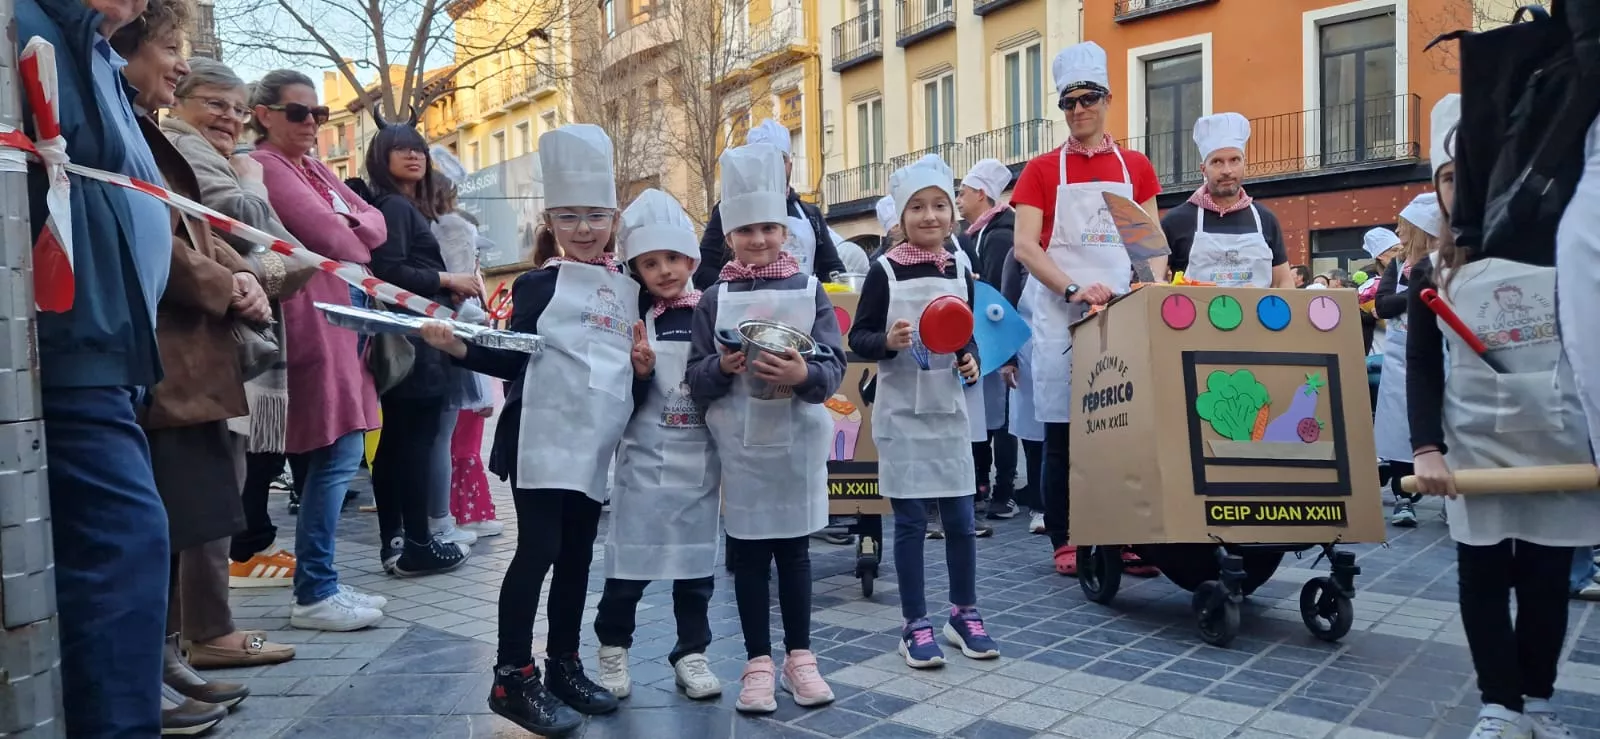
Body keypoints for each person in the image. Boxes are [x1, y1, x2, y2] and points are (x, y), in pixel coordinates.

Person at [421, 124, 631, 736]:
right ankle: (511, 675)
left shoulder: (627, 287)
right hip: (540, 439)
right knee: (538, 551)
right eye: (569, 217)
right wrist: (458, 348)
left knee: (577, 556)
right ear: (551, 220)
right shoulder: (536, 285)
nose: (584, 229)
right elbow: (514, 358)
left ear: (613, 219)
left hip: (594, 444)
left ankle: (564, 664)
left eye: (595, 216)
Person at [1408, 93, 1600, 739]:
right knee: (1483, 577)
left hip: (1560, 441)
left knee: (1547, 579)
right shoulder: (1431, 269)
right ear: (1437, 189)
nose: (1463, 187)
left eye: (1475, 172)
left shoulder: (1563, 247)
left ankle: (1537, 701)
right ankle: (1499, 704)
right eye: (1449, 177)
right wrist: (1426, 448)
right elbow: (1423, 366)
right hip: (1475, 448)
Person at [16, 0, 185, 730]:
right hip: (66, 345)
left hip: (108, 345)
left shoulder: (92, 51)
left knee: (115, 549)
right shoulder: (26, 26)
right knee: (124, 543)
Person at [685, 142, 845, 713]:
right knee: (750, 558)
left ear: (785, 232)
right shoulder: (714, 297)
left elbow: (834, 365)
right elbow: (694, 375)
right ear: (729, 236)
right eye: (746, 230)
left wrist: (805, 374)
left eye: (769, 229)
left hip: (796, 441)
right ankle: (758, 662)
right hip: (742, 446)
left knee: (795, 555)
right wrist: (721, 367)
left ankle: (801, 658)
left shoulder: (809, 289)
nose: (758, 240)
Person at [1008, 41, 1164, 576]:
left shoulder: (1136, 167)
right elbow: (1026, 247)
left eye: (1088, 98)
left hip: (1121, 313)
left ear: (1107, 99)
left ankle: (1126, 535)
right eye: (1069, 102)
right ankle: (1066, 536)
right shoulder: (1041, 170)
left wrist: (1147, 289)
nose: (1078, 109)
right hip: (1060, 317)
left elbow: (1150, 244)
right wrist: (1073, 288)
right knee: (1063, 435)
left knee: (1124, 431)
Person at [162, 58, 315, 592]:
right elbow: (255, 227)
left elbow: (301, 256)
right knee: (212, 494)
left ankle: (209, 621)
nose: (229, 117)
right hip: (206, 346)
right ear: (177, 102)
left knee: (227, 486)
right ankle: (206, 623)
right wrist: (256, 187)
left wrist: (267, 266)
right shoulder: (183, 147)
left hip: (225, 345)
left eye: (236, 108)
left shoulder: (215, 155)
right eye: (214, 103)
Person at [849, 156, 1000, 670]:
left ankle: (964, 613)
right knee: (912, 522)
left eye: (938, 205)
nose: (929, 216)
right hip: (901, 414)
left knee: (960, 519)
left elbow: (967, 334)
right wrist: (887, 342)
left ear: (952, 214)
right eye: (917, 207)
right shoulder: (884, 271)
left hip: (949, 410)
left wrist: (971, 359)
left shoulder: (960, 268)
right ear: (901, 216)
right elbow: (859, 336)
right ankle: (914, 623)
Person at [251, 69, 388, 631]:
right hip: (311, 320)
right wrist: (348, 226)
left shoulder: (313, 169)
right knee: (335, 450)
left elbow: (374, 227)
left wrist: (348, 223)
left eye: (319, 114)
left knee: (335, 452)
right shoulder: (266, 165)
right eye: (298, 112)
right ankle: (315, 590)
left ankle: (320, 580)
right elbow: (339, 240)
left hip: (340, 316)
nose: (311, 123)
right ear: (264, 115)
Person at [592, 189, 724, 702]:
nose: (664, 270)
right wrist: (641, 374)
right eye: (650, 263)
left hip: (699, 462)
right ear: (636, 270)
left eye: (673, 258)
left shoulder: (711, 312)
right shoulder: (631, 317)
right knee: (628, 568)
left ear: (691, 259)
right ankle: (613, 648)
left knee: (695, 571)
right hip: (643, 462)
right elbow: (616, 398)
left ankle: (692, 653)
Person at [362, 125, 480, 576]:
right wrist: (448, 280)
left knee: (398, 442)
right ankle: (416, 543)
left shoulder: (400, 206)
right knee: (413, 442)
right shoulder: (394, 206)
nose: (413, 156)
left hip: (412, 337)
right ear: (381, 156)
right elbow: (389, 271)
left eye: (419, 149)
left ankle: (398, 542)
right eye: (401, 149)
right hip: (417, 340)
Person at [431, 175, 503, 538]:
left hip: (449, 344)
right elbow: (469, 314)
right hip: (459, 348)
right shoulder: (452, 230)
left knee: (450, 441)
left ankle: (456, 512)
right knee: (459, 441)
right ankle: (462, 513)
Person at [693, 119, 846, 287]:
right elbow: (703, 271)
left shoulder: (811, 215)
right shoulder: (730, 209)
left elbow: (832, 269)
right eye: (765, 159)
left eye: (780, 159)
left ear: (790, 164)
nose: (773, 166)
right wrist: (740, 291)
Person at [1160, 112, 1293, 288]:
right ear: (1203, 169)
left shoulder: (1265, 219)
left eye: (1234, 160)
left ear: (1244, 164)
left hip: (1255, 307)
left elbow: (1283, 282)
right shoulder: (1175, 221)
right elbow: (1155, 281)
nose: (1227, 170)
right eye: (1217, 162)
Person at [956, 158, 1020, 520]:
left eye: (963, 193)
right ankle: (983, 485)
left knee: (1001, 417)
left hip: (996, 336)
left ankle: (1003, 491)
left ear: (981, 194)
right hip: (980, 335)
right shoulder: (974, 233)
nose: (958, 200)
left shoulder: (998, 236)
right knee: (984, 415)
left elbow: (994, 290)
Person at [1373, 194, 1439, 527]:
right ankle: (1404, 497)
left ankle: (1451, 498)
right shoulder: (1398, 265)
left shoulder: (1447, 261)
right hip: (1399, 358)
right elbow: (1382, 305)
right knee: (1400, 429)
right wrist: (1417, 293)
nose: (1398, 232)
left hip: (1440, 356)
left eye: (1402, 226)